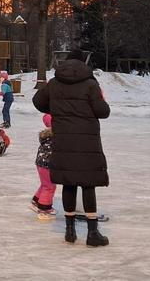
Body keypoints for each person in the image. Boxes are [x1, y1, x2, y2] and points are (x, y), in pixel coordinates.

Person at [33, 49, 110, 247]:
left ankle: (69, 231)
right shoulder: (91, 84)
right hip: (87, 141)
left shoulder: (54, 83)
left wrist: (57, 108)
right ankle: (92, 233)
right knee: (87, 183)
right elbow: (103, 111)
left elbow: (38, 101)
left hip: (63, 139)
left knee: (69, 183)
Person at [31, 113, 56, 218]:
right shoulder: (55, 136)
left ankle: (36, 201)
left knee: (45, 184)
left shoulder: (46, 136)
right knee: (50, 186)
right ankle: (44, 208)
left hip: (40, 163)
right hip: (47, 164)